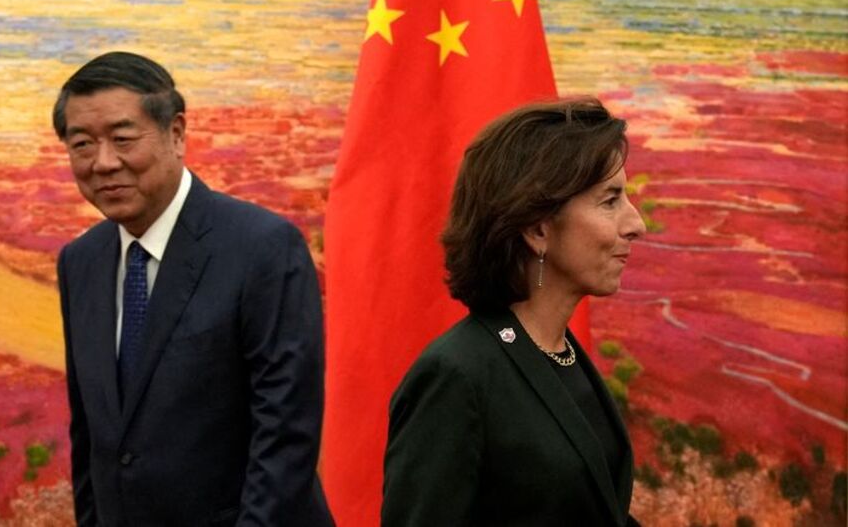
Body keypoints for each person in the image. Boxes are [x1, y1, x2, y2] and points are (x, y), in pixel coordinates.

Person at [53, 51, 334, 527]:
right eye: (82, 144)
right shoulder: (80, 262)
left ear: (176, 133)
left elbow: (284, 434)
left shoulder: (262, 248)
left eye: (123, 139)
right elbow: (93, 439)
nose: (103, 163)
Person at [382, 99, 646, 526]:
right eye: (610, 200)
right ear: (538, 228)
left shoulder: (562, 353)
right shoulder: (455, 377)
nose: (636, 224)